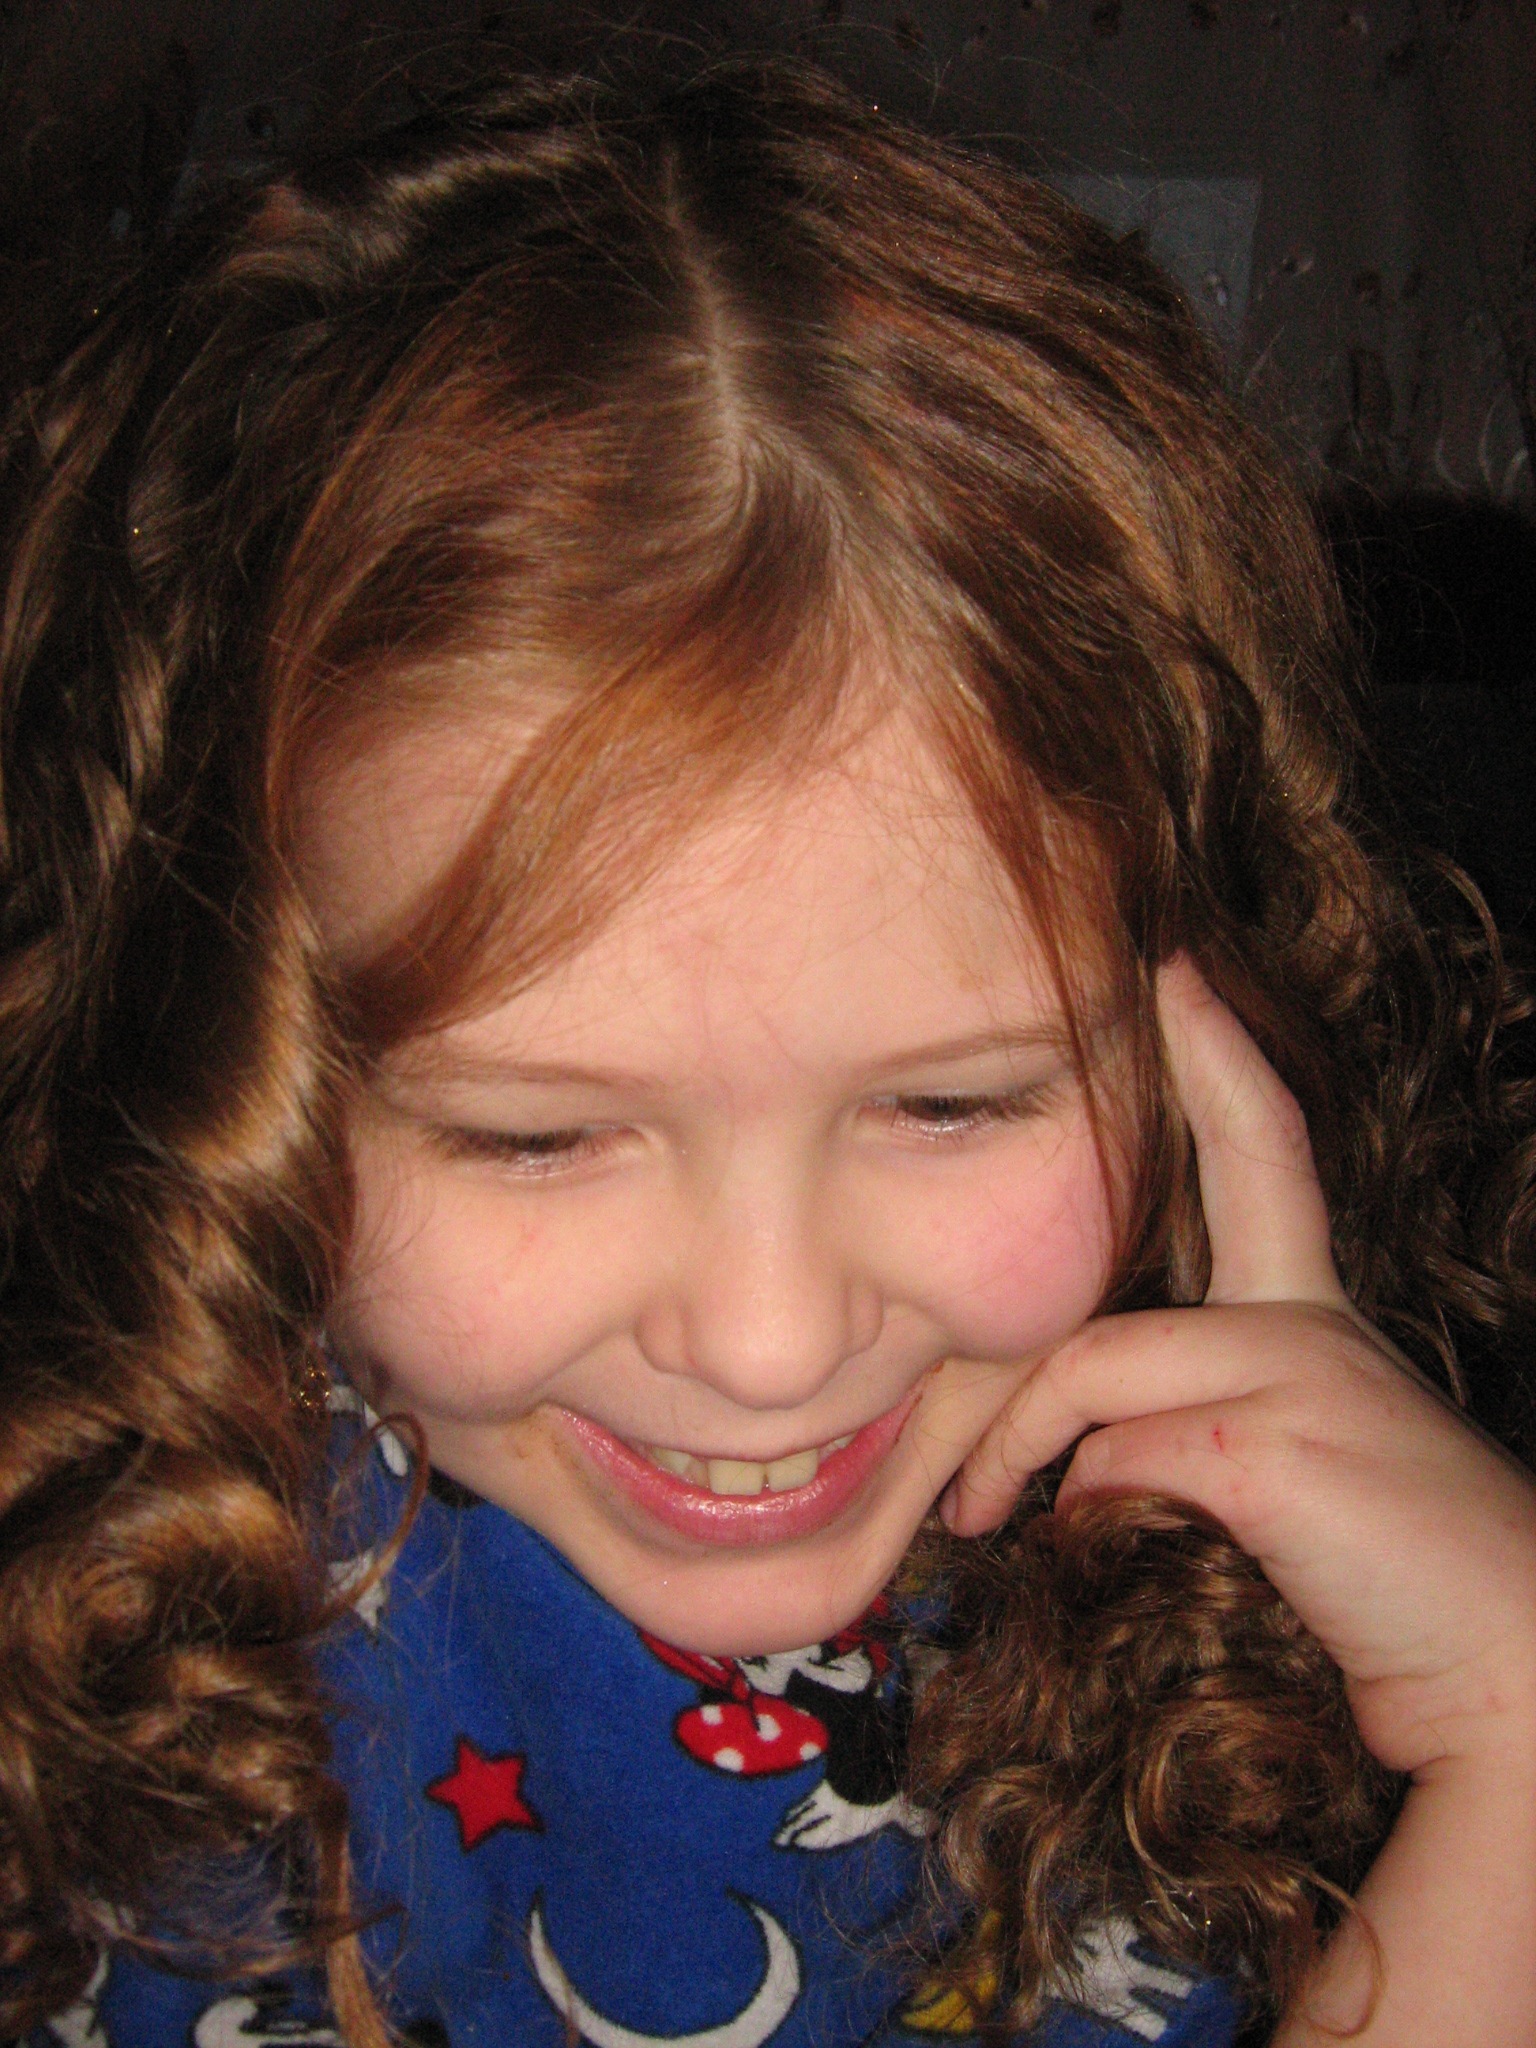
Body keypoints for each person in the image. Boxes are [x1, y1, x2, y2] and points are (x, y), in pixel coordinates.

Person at [1, 55, 1532, 2048]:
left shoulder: (1252, 1552)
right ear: (222, 1051)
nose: (769, 1344)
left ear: (1198, 1018)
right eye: (536, 1138)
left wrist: (1508, 1728)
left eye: (953, 1100)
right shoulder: (101, 1650)